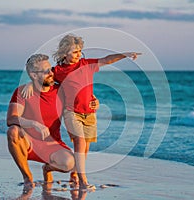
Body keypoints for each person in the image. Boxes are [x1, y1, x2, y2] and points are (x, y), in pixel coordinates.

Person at [22, 34, 141, 189]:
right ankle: (83, 179)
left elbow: (106, 59)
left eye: (80, 51)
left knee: (85, 147)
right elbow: (42, 76)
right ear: (65, 53)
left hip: (90, 113)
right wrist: (30, 85)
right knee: (80, 141)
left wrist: (124, 55)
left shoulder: (86, 64)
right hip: (71, 112)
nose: (79, 54)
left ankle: (74, 173)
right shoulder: (57, 71)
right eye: (75, 52)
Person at [6, 54, 76, 193]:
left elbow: (81, 100)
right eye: (46, 72)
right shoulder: (22, 92)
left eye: (51, 70)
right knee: (13, 131)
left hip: (52, 144)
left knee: (70, 164)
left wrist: (93, 102)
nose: (51, 74)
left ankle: (47, 168)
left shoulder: (60, 91)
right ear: (33, 75)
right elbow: (11, 118)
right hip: (29, 144)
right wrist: (33, 123)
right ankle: (27, 177)